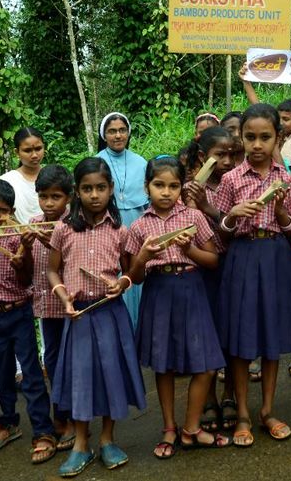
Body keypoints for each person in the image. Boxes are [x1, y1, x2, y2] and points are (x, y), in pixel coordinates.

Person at [214, 104, 291, 446]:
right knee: (241, 342)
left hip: (275, 259)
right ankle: (242, 414)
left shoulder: (283, 177)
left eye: (265, 137)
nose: (256, 145)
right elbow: (219, 233)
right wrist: (233, 215)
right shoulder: (230, 179)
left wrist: (280, 210)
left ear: (277, 138)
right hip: (242, 258)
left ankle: (267, 410)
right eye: (250, 137)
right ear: (241, 137)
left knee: (271, 339)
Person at [126, 156, 230, 458]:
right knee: (165, 365)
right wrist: (144, 256)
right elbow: (134, 277)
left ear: (181, 187)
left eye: (173, 185)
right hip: (159, 292)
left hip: (191, 289)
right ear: (147, 187)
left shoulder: (194, 217)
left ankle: (192, 427)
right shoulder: (139, 226)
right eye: (159, 185)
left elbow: (213, 261)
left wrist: (189, 249)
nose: (166, 192)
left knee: (207, 365)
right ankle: (169, 428)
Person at [48, 158, 146, 476]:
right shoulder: (63, 229)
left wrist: (123, 282)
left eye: (100, 188)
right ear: (77, 191)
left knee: (110, 376)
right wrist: (62, 295)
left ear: (111, 190)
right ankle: (80, 444)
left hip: (110, 312)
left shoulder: (120, 230)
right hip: (78, 316)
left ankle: (107, 439)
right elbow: (51, 269)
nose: (94, 195)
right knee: (80, 378)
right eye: (87, 188)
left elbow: (134, 272)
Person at [0, 179, 57, 464]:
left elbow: (26, 277)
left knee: (30, 373)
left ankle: (43, 430)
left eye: (2, 210)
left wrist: (24, 258)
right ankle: (9, 421)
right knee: (2, 373)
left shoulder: (18, 237)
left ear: (11, 211)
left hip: (19, 312)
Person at [184, 126, 243, 431]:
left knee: (232, 334)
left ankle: (230, 394)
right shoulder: (188, 187)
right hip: (201, 272)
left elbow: (233, 227)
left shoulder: (237, 184)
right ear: (203, 157)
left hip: (232, 267)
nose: (228, 161)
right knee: (203, 336)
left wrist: (208, 206)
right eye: (220, 155)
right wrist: (193, 197)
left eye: (233, 154)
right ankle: (207, 399)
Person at [25, 165, 75, 449]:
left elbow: (79, 265)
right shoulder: (33, 222)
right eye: (43, 196)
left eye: (56, 197)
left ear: (68, 197)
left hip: (70, 305)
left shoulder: (75, 224)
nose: (49, 203)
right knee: (53, 361)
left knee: (73, 361)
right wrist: (23, 249)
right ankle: (60, 415)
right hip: (47, 307)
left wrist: (55, 245)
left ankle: (72, 419)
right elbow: (29, 269)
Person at [96, 113, 148, 327]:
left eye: (122, 130)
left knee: (137, 277)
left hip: (137, 224)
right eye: (112, 131)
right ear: (104, 135)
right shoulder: (97, 162)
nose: (118, 135)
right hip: (109, 226)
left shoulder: (141, 162)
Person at [0, 127, 46, 224]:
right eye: (28, 150)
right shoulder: (6, 181)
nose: (34, 155)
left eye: (38, 149)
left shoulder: (55, 177)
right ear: (17, 152)